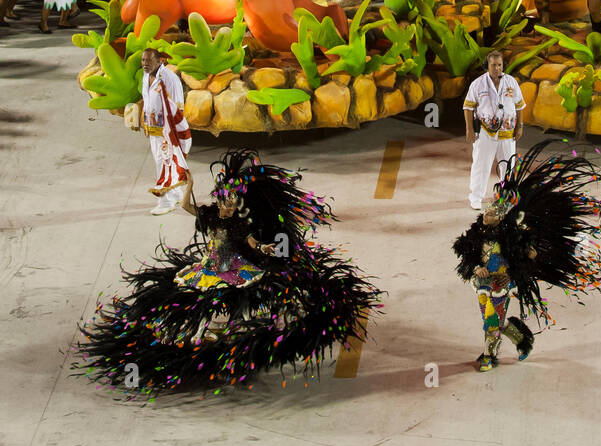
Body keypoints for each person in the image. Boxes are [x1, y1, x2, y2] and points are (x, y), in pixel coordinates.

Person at [76, 150, 380, 394]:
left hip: (233, 269)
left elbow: (253, 244)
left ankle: (233, 334)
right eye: (223, 201)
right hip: (209, 268)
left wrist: (268, 250)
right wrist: (189, 186)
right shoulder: (209, 216)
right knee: (197, 299)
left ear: (236, 205)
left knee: (236, 301)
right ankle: (198, 337)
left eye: (231, 202)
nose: (226, 206)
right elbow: (187, 207)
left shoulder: (238, 225)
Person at [453, 141, 601, 371]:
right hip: (482, 282)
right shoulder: (478, 231)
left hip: (501, 283)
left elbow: (530, 257)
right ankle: (522, 339)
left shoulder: (514, 237)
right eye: (488, 208)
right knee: (493, 319)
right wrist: (476, 268)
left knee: (491, 323)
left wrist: (512, 274)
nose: (487, 211)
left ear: (502, 218)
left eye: (494, 211)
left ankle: (488, 357)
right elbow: (467, 254)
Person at [463, 49, 525, 211]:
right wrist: (469, 129)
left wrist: (520, 126)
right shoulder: (478, 84)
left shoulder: (511, 82)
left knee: (508, 166)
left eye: (499, 65)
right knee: (481, 165)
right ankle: (476, 197)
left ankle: (506, 195)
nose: (497, 68)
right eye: (493, 65)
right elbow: (468, 107)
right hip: (485, 132)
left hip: (507, 133)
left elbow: (519, 105)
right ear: (487, 66)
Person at [140, 46, 192, 215]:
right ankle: (175, 193)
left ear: (159, 60)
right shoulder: (146, 76)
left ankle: (165, 202)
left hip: (167, 133)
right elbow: (147, 101)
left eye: (148, 60)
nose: (145, 64)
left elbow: (178, 108)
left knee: (164, 164)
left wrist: (173, 134)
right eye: (143, 60)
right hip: (153, 130)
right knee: (163, 162)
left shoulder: (169, 78)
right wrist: (143, 120)